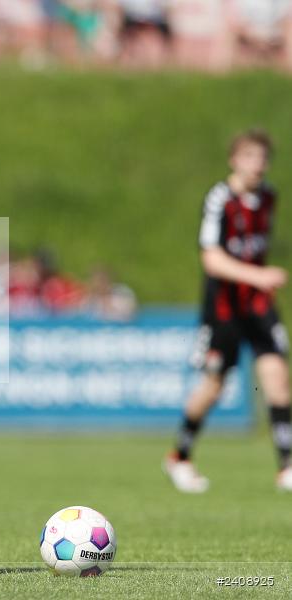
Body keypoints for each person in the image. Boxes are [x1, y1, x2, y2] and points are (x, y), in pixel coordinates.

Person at [164, 130, 291, 493]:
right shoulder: (220, 199)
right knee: (214, 385)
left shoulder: (268, 197)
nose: (257, 165)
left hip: (259, 304)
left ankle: (286, 466)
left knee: (277, 377)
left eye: (263, 158)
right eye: (250, 157)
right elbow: (212, 259)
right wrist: (258, 275)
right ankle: (180, 456)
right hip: (224, 308)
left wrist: (258, 281)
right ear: (234, 159)